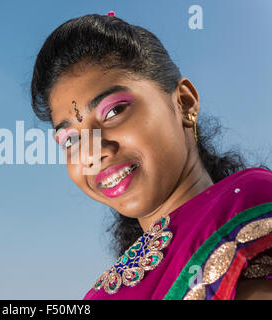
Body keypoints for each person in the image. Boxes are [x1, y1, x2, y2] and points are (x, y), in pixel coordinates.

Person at [30, 12, 272, 299]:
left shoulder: (250, 206)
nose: (94, 152)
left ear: (184, 102)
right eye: (70, 139)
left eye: (114, 111)